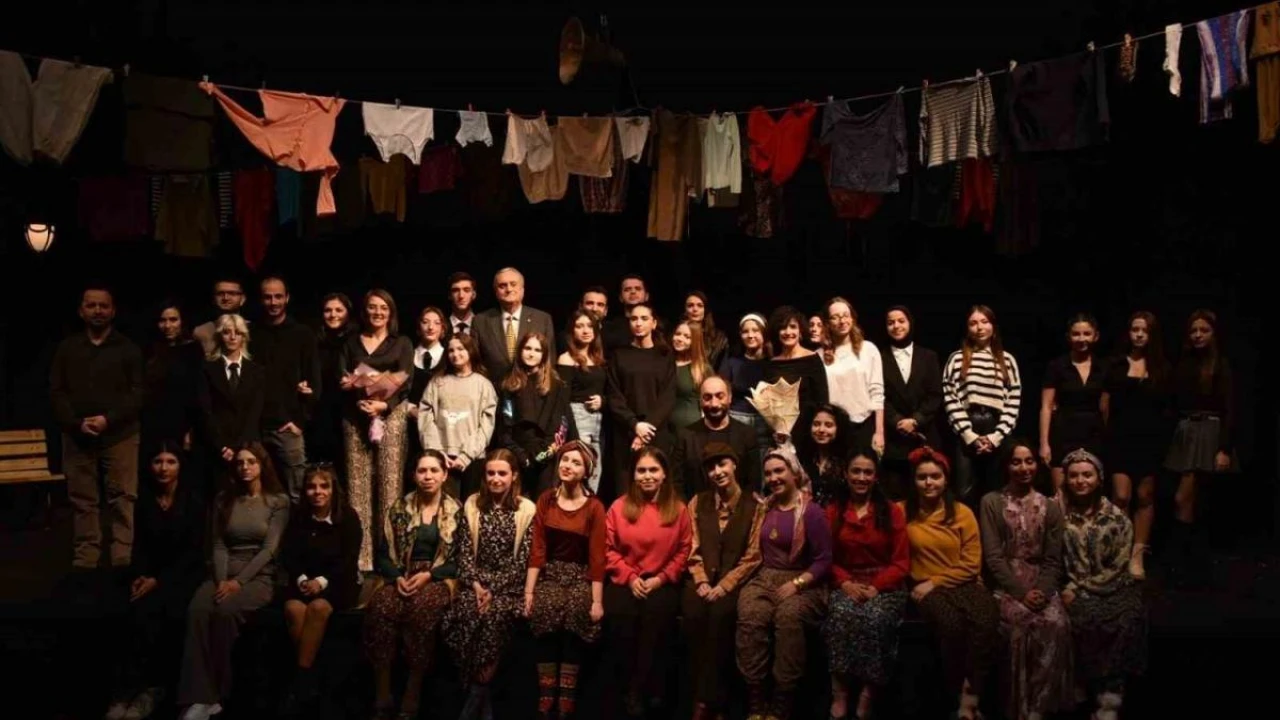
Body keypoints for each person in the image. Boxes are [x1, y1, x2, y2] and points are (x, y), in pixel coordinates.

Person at [176, 442, 289, 720]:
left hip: (258, 576)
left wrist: (238, 582)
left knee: (225, 612)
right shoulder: (223, 500)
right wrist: (221, 580)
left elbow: (269, 549)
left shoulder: (278, 501)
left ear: (261, 465)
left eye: (251, 462)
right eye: (240, 463)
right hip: (223, 573)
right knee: (198, 609)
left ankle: (220, 694)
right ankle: (198, 696)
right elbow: (218, 544)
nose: (245, 467)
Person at [104, 443, 206, 720]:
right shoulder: (145, 500)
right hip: (151, 573)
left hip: (183, 575)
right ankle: (125, 690)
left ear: (180, 466)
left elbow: (193, 553)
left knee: (162, 612)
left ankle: (153, 689)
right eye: (158, 461)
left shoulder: (193, 501)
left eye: (171, 461)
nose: (163, 468)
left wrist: (159, 580)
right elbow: (140, 546)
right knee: (128, 609)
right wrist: (141, 575)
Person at [50, 285, 144, 572]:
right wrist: (76, 423)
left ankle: (121, 557)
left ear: (113, 311)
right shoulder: (67, 348)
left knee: (122, 497)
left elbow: (138, 393)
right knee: (82, 500)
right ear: (81, 311)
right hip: (77, 436)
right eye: (91, 305)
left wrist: (108, 419)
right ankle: (86, 557)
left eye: (103, 306)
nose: (98, 311)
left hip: (119, 435)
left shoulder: (128, 348)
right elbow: (56, 391)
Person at [735, 446, 833, 720]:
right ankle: (756, 703)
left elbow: (824, 560)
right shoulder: (764, 507)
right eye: (768, 474)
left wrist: (797, 584)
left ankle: (781, 705)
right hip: (766, 576)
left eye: (779, 471)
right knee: (751, 613)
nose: (773, 478)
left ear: (794, 473)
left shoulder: (811, 512)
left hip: (804, 580)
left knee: (788, 616)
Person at [980, 440, 1074, 720]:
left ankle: (1039, 708)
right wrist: (1021, 593)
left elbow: (1053, 559)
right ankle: (1018, 708)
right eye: (1016, 462)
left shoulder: (1051, 506)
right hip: (1007, 582)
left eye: (1029, 461)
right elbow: (993, 557)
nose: (1024, 468)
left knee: (1057, 624)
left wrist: (1042, 591)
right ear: (1007, 466)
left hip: (1041, 581)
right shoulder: (991, 502)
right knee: (1019, 625)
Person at [904, 446, 999, 720]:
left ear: (945, 480)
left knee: (986, 618)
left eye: (935, 476)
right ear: (914, 481)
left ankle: (972, 693)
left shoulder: (961, 512)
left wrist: (936, 581)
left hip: (962, 582)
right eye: (922, 477)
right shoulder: (902, 512)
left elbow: (971, 563)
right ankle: (955, 694)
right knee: (951, 626)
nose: (929, 482)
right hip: (924, 587)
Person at [364, 451, 461, 720]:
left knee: (421, 609)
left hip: (438, 576)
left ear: (444, 475)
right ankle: (383, 692)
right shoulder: (399, 509)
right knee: (382, 606)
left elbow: (460, 560)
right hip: (402, 574)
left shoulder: (456, 511)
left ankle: (412, 691)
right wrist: (397, 577)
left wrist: (429, 575)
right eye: (422, 471)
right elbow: (384, 555)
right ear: (414, 475)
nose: (428, 476)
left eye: (433, 470)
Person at [445, 449, 537, 720]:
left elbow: (522, 562)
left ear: (514, 476)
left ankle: (474, 700)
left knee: (494, 619)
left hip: (508, 588)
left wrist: (493, 590)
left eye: (502, 473)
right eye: (491, 473)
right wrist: (476, 586)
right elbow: (463, 552)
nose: (496, 479)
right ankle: (481, 699)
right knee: (463, 614)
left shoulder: (526, 509)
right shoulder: (473, 504)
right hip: (475, 584)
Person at [604, 448, 692, 717]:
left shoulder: (678, 509)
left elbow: (684, 551)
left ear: (664, 474)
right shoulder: (618, 507)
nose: (647, 476)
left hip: (662, 581)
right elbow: (608, 549)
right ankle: (628, 689)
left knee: (657, 618)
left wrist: (661, 579)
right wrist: (630, 578)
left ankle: (650, 688)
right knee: (621, 616)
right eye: (641, 470)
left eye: (653, 470)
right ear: (633, 475)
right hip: (626, 579)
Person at [1060, 449, 1147, 720]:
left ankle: (1110, 696)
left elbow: (1120, 562)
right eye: (1074, 476)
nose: (1080, 481)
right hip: (1071, 586)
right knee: (1080, 619)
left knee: (1127, 618)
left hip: (1111, 584)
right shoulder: (1058, 515)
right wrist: (1071, 587)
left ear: (1099, 478)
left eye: (1087, 475)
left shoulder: (1117, 517)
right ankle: (1082, 685)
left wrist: (1083, 587)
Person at [524, 441, 607, 720]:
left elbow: (597, 557)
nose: (567, 466)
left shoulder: (594, 507)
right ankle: (547, 690)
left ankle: (567, 694)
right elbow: (538, 549)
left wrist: (597, 601)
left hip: (580, 574)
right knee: (545, 607)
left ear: (586, 472)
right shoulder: (546, 500)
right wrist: (529, 592)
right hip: (551, 573)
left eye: (575, 462)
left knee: (577, 610)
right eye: (564, 460)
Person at [823, 451, 909, 720]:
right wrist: (844, 582)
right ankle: (840, 692)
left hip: (884, 583)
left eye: (868, 472)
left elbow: (901, 562)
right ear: (846, 474)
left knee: (875, 618)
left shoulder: (891, 511)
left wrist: (876, 587)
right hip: (846, 581)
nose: (861, 477)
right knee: (840, 614)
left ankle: (867, 693)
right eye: (856, 471)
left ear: (876, 477)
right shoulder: (833, 510)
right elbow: (826, 557)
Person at [682, 443, 764, 720]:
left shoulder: (755, 505)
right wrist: (702, 581)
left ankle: (707, 703)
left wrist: (724, 586)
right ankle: (704, 698)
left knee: (721, 617)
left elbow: (753, 556)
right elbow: (691, 547)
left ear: (734, 465)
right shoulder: (698, 502)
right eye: (711, 468)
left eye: (722, 464)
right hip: (702, 580)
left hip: (735, 582)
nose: (717, 472)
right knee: (693, 615)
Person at [339, 289, 414, 574]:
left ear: (390, 312)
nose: (377, 312)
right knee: (357, 488)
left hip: (390, 416)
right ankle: (362, 558)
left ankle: (389, 556)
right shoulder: (350, 342)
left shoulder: (402, 342)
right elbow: (343, 378)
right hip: (355, 417)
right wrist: (360, 398)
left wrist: (384, 404)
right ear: (365, 311)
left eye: (383, 308)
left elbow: (406, 381)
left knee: (389, 486)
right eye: (372, 307)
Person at [277, 465, 362, 713]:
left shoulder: (348, 517)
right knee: (293, 608)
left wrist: (321, 582)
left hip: (338, 582)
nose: (318, 492)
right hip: (304, 582)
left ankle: (301, 682)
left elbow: (348, 560)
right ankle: (311, 679)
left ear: (333, 489)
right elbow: (289, 556)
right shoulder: (299, 518)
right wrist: (303, 579)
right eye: (312, 487)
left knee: (317, 608)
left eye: (324, 486)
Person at [1163, 309, 1235, 585]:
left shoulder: (1220, 365)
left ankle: (1193, 565)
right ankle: (1185, 566)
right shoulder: (1184, 364)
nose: (1197, 335)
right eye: (1193, 330)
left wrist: (1224, 448)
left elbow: (1230, 409)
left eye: (1203, 330)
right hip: (1186, 431)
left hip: (1209, 433)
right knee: (1186, 500)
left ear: (1213, 334)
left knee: (1192, 498)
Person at [1101, 311, 1171, 579]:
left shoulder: (1162, 368)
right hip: (1120, 438)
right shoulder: (1116, 364)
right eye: (1135, 329)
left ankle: (1137, 554)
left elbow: (1167, 409)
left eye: (1145, 331)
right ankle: (1121, 549)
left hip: (1149, 441)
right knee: (1121, 496)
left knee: (1145, 496)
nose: (1139, 335)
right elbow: (1104, 405)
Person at [943, 305, 1022, 503]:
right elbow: (951, 398)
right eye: (973, 323)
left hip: (996, 426)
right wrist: (969, 436)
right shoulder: (957, 358)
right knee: (964, 491)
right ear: (967, 328)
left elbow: (1013, 401)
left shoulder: (1007, 360)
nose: (979, 327)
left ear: (993, 326)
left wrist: (996, 437)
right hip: (968, 427)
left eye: (984, 322)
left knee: (997, 491)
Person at [252, 276, 321, 502]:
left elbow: (314, 382)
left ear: (287, 298)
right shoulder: (251, 334)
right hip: (255, 428)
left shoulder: (302, 334)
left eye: (278, 297)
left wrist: (300, 421)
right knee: (258, 493)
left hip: (288, 427)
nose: (273, 302)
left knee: (297, 494)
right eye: (268, 297)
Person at [605, 302, 677, 498]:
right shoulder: (619, 356)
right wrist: (635, 425)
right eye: (634, 319)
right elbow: (614, 396)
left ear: (654, 323)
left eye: (644, 319)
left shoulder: (665, 356)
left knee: (657, 491)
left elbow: (668, 397)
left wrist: (646, 430)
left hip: (656, 432)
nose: (638, 323)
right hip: (626, 434)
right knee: (627, 490)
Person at [419, 333, 499, 499]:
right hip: (442, 458)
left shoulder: (483, 385)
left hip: (473, 458)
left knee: (471, 507)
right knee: (445, 508)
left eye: (460, 349)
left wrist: (466, 456)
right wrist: (437, 452)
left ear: (470, 351)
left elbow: (486, 426)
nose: (455, 354)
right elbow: (426, 418)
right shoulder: (437, 382)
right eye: (451, 350)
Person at [499, 331, 578, 495]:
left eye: (537, 350)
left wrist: (540, 457)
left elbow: (559, 426)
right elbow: (505, 427)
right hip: (517, 456)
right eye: (527, 348)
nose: (531, 353)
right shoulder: (509, 385)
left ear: (544, 355)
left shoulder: (556, 385)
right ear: (520, 350)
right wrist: (522, 457)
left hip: (546, 457)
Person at [1039, 314, 1105, 496]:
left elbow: (1106, 407)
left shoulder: (1103, 366)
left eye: (1087, 333)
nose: (1081, 339)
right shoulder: (1057, 366)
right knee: (1060, 495)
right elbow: (1046, 406)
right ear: (1068, 337)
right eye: (1076, 334)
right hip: (1063, 433)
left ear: (1096, 336)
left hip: (1094, 434)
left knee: (1091, 493)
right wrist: (1044, 443)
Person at [880, 306, 943, 499]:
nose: (896, 326)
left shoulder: (929, 356)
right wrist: (897, 420)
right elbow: (878, 395)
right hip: (893, 440)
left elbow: (935, 395)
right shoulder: (878, 357)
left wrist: (915, 420)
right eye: (891, 322)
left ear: (910, 323)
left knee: (926, 495)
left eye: (901, 321)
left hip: (924, 436)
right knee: (895, 498)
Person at [670, 375, 762, 498]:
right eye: (707, 397)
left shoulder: (747, 435)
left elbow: (753, 484)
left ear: (730, 398)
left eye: (720, 396)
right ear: (700, 401)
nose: (714, 404)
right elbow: (676, 484)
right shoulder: (685, 437)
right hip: (694, 508)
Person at [196, 314, 265, 475]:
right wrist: (221, 445)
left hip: (247, 447)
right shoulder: (207, 369)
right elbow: (205, 411)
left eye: (238, 333)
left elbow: (255, 411)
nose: (233, 337)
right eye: (227, 332)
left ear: (244, 337)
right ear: (219, 336)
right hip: (216, 446)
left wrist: (240, 446)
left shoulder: (257, 371)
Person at [821, 297, 885, 455]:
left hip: (863, 425)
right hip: (832, 429)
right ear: (828, 323)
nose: (842, 321)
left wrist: (879, 432)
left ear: (852, 318)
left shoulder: (868, 349)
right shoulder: (819, 355)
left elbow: (877, 393)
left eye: (845, 315)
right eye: (835, 317)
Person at [140, 299, 203, 453]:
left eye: (173, 320)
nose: (168, 325)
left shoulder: (193, 350)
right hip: (152, 424)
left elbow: (197, 392)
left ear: (182, 321)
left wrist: (192, 428)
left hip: (183, 423)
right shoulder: (148, 350)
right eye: (163, 320)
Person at [472, 267, 556, 380]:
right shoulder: (480, 321)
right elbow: (476, 362)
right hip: (493, 387)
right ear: (496, 292)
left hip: (532, 386)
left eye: (513, 284)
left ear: (522, 289)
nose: (509, 289)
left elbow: (550, 360)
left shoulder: (542, 319)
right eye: (502, 286)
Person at [557, 309, 607, 493]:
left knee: (595, 473)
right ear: (572, 331)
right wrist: (573, 432)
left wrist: (602, 401)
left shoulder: (598, 359)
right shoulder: (566, 359)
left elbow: (606, 391)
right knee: (579, 472)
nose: (585, 330)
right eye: (579, 326)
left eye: (589, 326)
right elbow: (562, 399)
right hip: (578, 417)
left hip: (598, 422)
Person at [309, 293, 356, 465]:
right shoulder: (313, 340)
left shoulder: (357, 340)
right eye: (328, 310)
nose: (333, 315)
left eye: (339, 310)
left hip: (348, 410)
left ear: (348, 313)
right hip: (319, 411)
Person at [718, 313, 772, 457]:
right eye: (745, 331)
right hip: (737, 417)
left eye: (755, 330)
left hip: (764, 421)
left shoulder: (773, 364)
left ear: (764, 334)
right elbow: (722, 391)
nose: (750, 335)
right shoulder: (732, 362)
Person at [764, 306, 830, 423]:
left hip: (808, 426)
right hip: (779, 427)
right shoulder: (773, 364)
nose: (788, 332)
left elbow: (822, 400)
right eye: (782, 328)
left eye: (793, 327)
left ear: (800, 331)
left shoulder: (812, 360)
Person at [792, 403, 855, 507]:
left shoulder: (848, 460)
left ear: (839, 428)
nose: (821, 430)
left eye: (828, 425)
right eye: (816, 424)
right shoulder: (801, 459)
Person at [671, 321, 713, 431]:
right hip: (663, 429)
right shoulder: (665, 364)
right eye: (678, 334)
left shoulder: (702, 369)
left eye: (687, 337)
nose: (680, 339)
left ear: (695, 341)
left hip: (691, 429)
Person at [192, 278, 247, 358]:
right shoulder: (201, 332)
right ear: (213, 299)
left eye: (232, 293)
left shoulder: (253, 329)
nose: (225, 298)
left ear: (243, 299)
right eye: (220, 294)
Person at [682, 291, 729, 370]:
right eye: (690, 305)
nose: (695, 309)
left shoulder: (719, 339)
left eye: (700, 305)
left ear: (705, 310)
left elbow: (722, 369)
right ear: (685, 310)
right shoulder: (677, 335)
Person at [447, 271, 478, 338]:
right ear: (449, 295)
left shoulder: (483, 325)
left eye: (466, 290)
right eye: (456, 290)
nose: (461, 296)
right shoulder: (441, 326)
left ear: (474, 295)